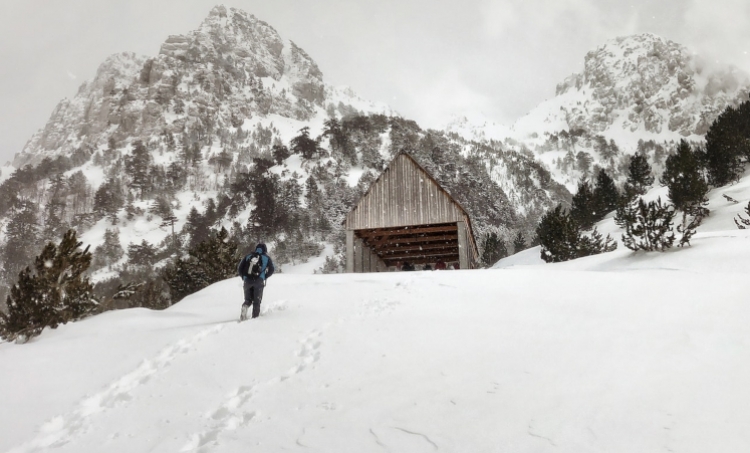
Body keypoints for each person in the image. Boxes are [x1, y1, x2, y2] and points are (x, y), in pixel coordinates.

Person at [237, 243, 275, 321]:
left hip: (247, 281)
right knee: (256, 301)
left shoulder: (248, 256)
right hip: (259, 281)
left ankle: (245, 307)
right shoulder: (266, 258)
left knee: (248, 300)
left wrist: (244, 277)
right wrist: (265, 276)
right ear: (265, 250)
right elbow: (272, 269)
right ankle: (255, 319)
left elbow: (240, 268)